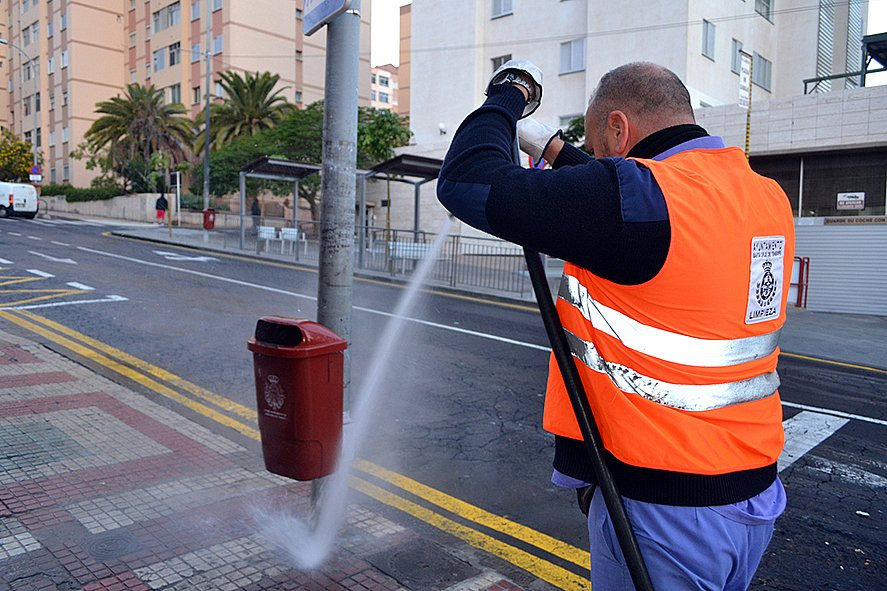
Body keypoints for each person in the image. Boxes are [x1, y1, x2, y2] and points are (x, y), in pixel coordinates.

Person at [437, 61, 795, 590]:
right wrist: (556, 150)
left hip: (668, 513)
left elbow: (466, 179)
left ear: (620, 128)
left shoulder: (645, 199)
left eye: (602, 146)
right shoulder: (763, 196)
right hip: (752, 497)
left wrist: (508, 96)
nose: (601, 163)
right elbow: (636, 208)